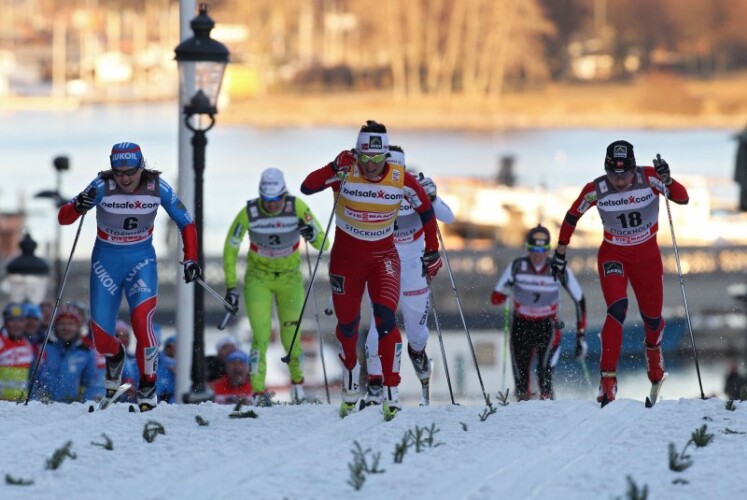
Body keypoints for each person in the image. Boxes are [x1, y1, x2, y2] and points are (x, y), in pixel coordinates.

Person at [301, 120, 442, 419]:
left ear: (386, 156)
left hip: (383, 259)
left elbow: (426, 211)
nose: (371, 165)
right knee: (348, 327)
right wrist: (332, 167)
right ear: (357, 153)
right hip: (346, 261)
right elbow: (307, 186)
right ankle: (352, 374)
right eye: (365, 157)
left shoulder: (400, 178)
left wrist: (432, 250)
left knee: (386, 321)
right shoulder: (346, 171)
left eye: (377, 158)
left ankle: (391, 391)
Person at [58, 141, 201, 412]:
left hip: (141, 260)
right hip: (106, 262)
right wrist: (78, 206)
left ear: (141, 167)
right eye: (119, 172)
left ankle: (148, 385)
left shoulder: (157, 188)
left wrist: (191, 258)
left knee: (142, 323)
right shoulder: (101, 186)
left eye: (130, 172)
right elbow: (64, 219)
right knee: (101, 338)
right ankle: (116, 356)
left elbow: (187, 222)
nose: (124, 179)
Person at [551, 140, 689, 407]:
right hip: (613, 255)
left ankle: (655, 360)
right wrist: (560, 252)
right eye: (613, 175)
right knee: (617, 310)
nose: (620, 181)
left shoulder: (650, 178)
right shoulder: (596, 189)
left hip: (647, 258)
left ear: (633, 169)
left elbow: (682, 198)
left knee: (652, 321)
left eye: (624, 174)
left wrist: (668, 180)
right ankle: (608, 381)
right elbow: (571, 217)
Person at [222, 167, 329, 405]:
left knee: (291, 338)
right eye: (266, 199)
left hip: (289, 279)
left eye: (276, 199)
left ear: (284, 194)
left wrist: (311, 234)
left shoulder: (297, 207)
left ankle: (298, 385)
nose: (271, 205)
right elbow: (230, 248)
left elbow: (325, 243)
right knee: (260, 337)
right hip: (258, 279)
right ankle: (259, 392)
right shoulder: (249, 212)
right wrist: (231, 285)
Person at [360, 145, 455, 407]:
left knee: (417, 336)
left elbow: (448, 217)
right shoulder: (369, 189)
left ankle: (420, 361)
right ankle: (376, 386)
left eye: (395, 168)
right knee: (379, 327)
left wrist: (433, 197)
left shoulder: (414, 187)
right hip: (382, 266)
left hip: (414, 268)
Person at [490, 225, 587, 401]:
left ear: (548, 250)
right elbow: (495, 298)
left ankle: (548, 411)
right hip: (521, 325)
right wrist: (505, 290)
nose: (537, 255)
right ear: (527, 248)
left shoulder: (557, 268)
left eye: (542, 250)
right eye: (533, 249)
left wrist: (580, 335)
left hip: (547, 325)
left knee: (544, 377)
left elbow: (580, 299)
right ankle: (522, 412)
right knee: (521, 383)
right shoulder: (517, 266)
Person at [32, 304, 104, 403]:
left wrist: (85, 405)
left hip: (72, 407)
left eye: (71, 324)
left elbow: (91, 384)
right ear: (55, 326)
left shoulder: (86, 352)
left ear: (78, 327)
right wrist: (34, 402)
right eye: (62, 323)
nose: (66, 328)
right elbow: (33, 380)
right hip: (45, 407)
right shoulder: (44, 348)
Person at [0, 303, 35, 401]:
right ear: (5, 322)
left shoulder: (27, 344)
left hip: (20, 403)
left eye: (20, 320)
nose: (17, 325)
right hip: (2, 403)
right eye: (12, 320)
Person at [114, 320, 139, 403]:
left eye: (126, 336)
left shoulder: (134, 359)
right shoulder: (103, 358)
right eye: (119, 335)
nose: (124, 339)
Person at [156, 335, 177, 404]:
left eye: (175, 346)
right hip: (157, 397)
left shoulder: (182, 366)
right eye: (169, 346)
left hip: (172, 399)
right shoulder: (158, 360)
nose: (172, 349)